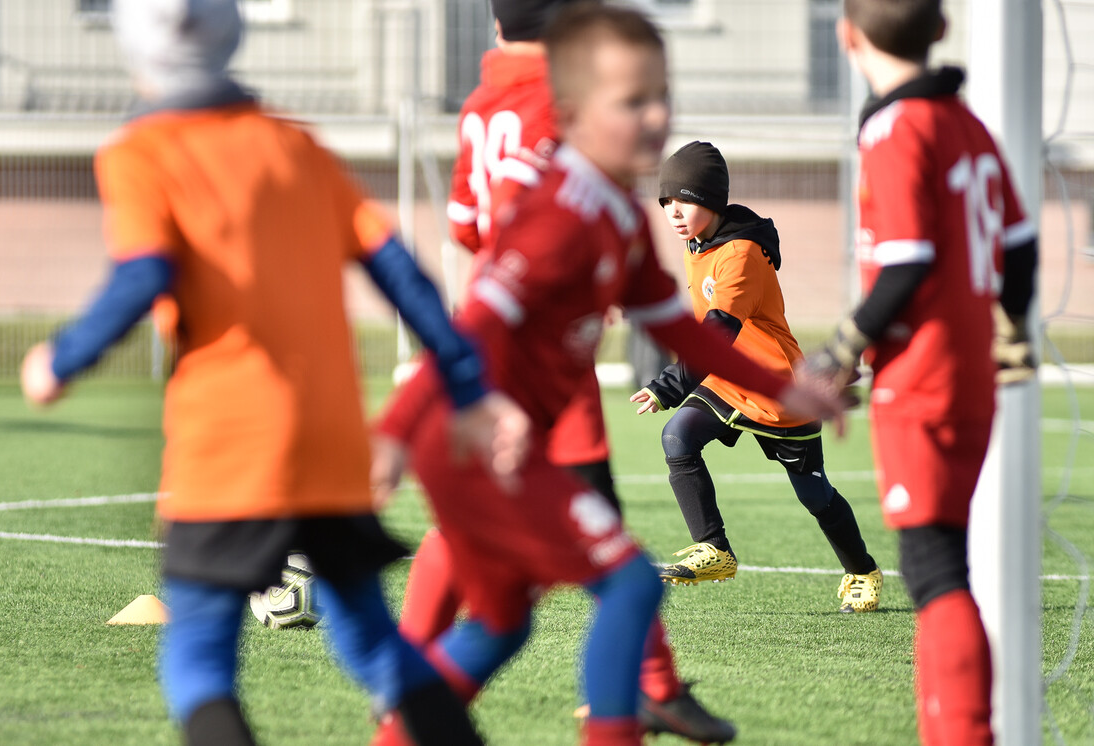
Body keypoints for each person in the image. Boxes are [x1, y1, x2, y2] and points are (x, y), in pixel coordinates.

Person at [18, 1, 531, 744]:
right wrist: (467, 386)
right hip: (327, 443)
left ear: (134, 49)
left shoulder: (140, 152)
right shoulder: (297, 146)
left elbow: (142, 274)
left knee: (197, 661)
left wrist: (59, 360)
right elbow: (402, 273)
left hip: (228, 445)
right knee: (372, 644)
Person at [369, 5, 845, 745]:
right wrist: (395, 432)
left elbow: (681, 328)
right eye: (632, 101)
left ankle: (402, 724)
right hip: (477, 439)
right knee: (624, 582)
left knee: (500, 622)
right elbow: (478, 327)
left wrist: (789, 387)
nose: (654, 117)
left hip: (512, 441)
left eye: (661, 95)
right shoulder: (559, 210)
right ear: (570, 110)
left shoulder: (617, 211)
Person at [401, 0, 732, 739]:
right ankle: (644, 688)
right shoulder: (552, 103)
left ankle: (411, 683)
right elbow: (540, 221)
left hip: (508, 342)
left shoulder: (482, 103)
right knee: (607, 561)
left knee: (492, 566)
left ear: (494, 27)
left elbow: (466, 230)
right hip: (536, 352)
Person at [806, 0, 1038, 742]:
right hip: (970, 374)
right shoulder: (966, 122)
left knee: (937, 572)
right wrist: (1010, 327)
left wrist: (839, 349)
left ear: (846, 36)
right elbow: (1023, 244)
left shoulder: (894, 126)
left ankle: (967, 732)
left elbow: (906, 261)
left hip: (923, 378)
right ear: (941, 30)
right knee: (947, 558)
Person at [629, 141, 883, 613]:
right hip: (727, 380)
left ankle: (862, 570)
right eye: (665, 202)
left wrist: (667, 384)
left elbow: (717, 332)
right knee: (677, 436)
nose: (673, 212)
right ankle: (714, 548)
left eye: (683, 200)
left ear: (712, 201)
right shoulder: (697, 244)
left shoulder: (741, 253)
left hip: (778, 388)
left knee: (814, 493)